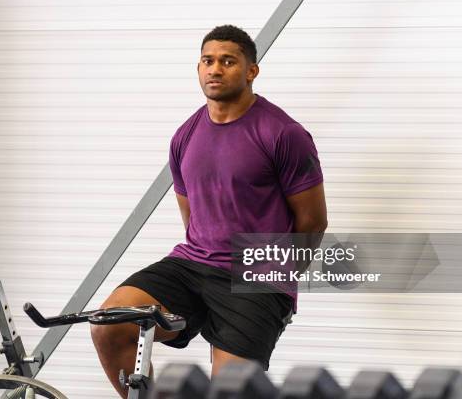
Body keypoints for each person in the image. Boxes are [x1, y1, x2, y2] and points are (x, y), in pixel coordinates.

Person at [90, 24, 327, 398]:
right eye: (207, 61)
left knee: (229, 390)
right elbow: (193, 217)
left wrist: (274, 274)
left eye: (228, 61)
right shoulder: (185, 136)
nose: (215, 69)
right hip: (193, 264)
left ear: (251, 71)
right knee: (111, 324)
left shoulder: (283, 133)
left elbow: (314, 221)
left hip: (255, 273)